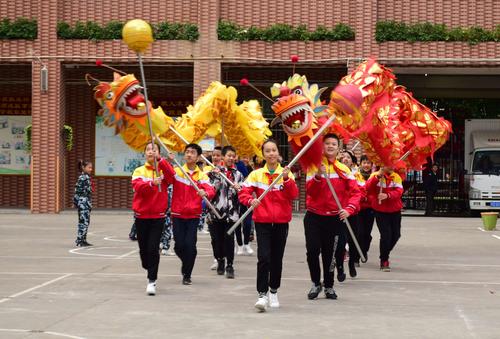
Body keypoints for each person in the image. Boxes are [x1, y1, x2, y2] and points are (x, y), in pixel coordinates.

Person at [239, 139, 298, 312]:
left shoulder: (286, 173)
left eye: (274, 150)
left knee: (276, 259)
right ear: (263, 154)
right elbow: (243, 193)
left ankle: (273, 290)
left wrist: (286, 179)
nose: (271, 153)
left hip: (281, 222)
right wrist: (251, 200)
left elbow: (293, 195)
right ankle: (262, 294)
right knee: (263, 257)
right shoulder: (256, 175)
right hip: (262, 222)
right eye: (268, 151)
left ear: (278, 153)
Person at [303, 134, 361, 300]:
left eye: (333, 144)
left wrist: (349, 209)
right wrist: (319, 176)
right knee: (312, 251)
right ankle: (316, 282)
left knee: (331, 254)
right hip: (314, 216)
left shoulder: (344, 170)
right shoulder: (314, 166)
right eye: (327, 143)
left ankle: (329, 286)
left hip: (335, 219)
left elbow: (356, 193)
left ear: (338, 148)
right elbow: (311, 192)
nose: (330, 146)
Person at [131, 142, 175, 295]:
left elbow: (172, 177)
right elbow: (138, 187)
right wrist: (151, 183)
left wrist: (162, 161)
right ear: (144, 153)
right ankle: (148, 266)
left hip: (158, 215)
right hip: (141, 215)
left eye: (154, 149)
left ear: (158, 153)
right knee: (144, 250)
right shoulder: (139, 170)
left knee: (153, 248)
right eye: (148, 149)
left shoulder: (163, 169)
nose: (151, 152)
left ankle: (152, 280)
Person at [171, 143, 215, 285]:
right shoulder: (177, 171)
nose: (189, 154)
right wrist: (166, 161)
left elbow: (211, 190)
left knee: (190, 245)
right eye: (187, 152)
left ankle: (187, 274)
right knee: (179, 246)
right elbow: (165, 175)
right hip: (177, 214)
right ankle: (187, 262)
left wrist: (205, 192)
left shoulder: (202, 175)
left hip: (193, 216)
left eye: (192, 152)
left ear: (198, 157)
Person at [206, 145, 244, 278]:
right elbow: (210, 190)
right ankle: (220, 260)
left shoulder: (238, 175)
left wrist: (238, 188)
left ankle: (230, 265)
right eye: (229, 155)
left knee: (229, 239)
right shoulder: (215, 172)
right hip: (216, 212)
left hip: (231, 213)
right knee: (216, 240)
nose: (231, 158)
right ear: (223, 157)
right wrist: (216, 176)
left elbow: (242, 193)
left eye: (233, 156)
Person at [365, 166, 404, 272]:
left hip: (395, 210)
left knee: (396, 235)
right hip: (380, 211)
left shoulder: (396, 177)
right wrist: (378, 176)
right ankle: (384, 260)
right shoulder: (374, 175)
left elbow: (399, 191)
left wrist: (388, 195)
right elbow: (367, 188)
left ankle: (385, 252)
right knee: (386, 235)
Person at [339, 150, 362, 278]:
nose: (345, 159)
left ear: (352, 161)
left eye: (348, 157)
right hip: (339, 212)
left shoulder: (356, 175)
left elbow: (361, 191)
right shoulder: (336, 172)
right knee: (340, 241)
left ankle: (352, 263)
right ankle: (340, 266)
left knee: (353, 240)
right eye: (343, 157)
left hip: (352, 212)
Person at [356, 155, 375, 261]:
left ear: (371, 165)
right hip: (358, 208)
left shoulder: (375, 176)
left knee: (367, 233)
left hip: (370, 209)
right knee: (360, 233)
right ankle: (358, 254)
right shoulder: (355, 176)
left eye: (368, 163)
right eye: (364, 162)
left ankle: (364, 251)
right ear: (360, 164)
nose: (366, 165)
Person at [74, 160, 94, 247]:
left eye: (91, 167)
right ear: (83, 167)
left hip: (86, 202)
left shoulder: (86, 177)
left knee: (86, 221)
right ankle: (80, 240)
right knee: (83, 222)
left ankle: (83, 239)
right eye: (89, 167)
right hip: (83, 203)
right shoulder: (83, 177)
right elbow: (77, 191)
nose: (91, 169)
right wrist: (76, 202)